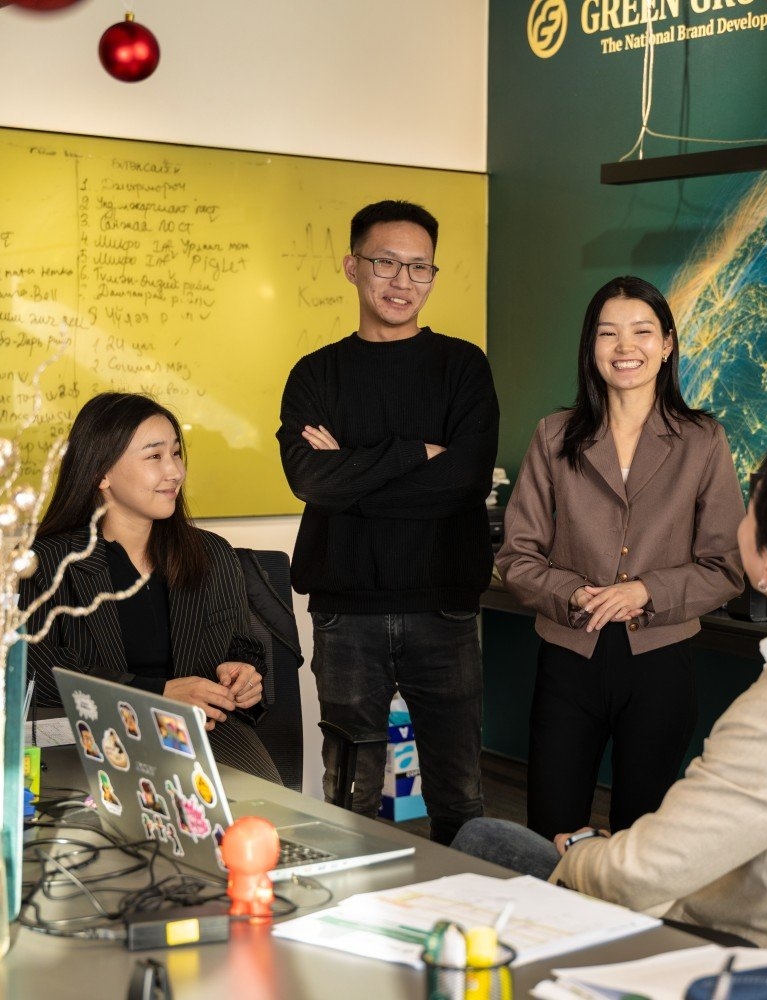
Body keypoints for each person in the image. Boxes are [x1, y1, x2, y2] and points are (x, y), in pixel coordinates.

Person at [455, 432, 767, 950]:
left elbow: (637, 877)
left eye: (750, 515)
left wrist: (584, 850)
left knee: (483, 839)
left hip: (717, 941)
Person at [277, 199, 498, 845]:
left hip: (445, 607)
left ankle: (467, 902)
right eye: (386, 263)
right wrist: (410, 453)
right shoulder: (315, 373)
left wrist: (348, 476)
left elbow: (463, 482)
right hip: (346, 612)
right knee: (350, 796)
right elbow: (308, 481)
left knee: (459, 793)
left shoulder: (463, 366)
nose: (403, 281)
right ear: (353, 267)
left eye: (419, 267)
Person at [496, 275, 745, 840]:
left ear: (668, 344)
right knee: (552, 831)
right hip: (568, 658)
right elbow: (518, 555)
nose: (625, 347)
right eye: (608, 333)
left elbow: (727, 565)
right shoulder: (553, 435)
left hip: (661, 663)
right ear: (591, 346)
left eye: (642, 331)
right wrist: (573, 593)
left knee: (643, 837)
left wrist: (646, 591)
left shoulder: (703, 440)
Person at [21, 392, 279, 782]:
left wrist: (244, 677)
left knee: (262, 813)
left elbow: (244, 648)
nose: (174, 471)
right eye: (155, 456)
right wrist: (156, 693)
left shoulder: (212, 553)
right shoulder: (46, 562)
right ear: (101, 473)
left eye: (176, 453)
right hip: (96, 741)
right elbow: (35, 670)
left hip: (207, 739)